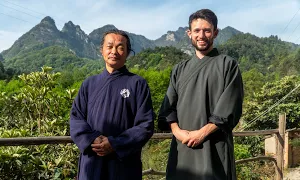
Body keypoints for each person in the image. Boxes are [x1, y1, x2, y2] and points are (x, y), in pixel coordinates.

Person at [158, 9, 244, 180]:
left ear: (215, 32)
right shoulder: (179, 70)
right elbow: (168, 109)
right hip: (183, 147)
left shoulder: (227, 65)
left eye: (207, 30)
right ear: (189, 33)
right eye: (196, 30)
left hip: (214, 148)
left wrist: (202, 134)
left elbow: (229, 109)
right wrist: (178, 132)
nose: (201, 35)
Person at [70, 29, 154, 180]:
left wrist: (114, 143)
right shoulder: (89, 84)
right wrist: (92, 139)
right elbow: (76, 118)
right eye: (109, 46)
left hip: (123, 163)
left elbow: (145, 125)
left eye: (120, 47)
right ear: (101, 50)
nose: (114, 51)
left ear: (128, 53)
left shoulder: (137, 84)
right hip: (92, 159)